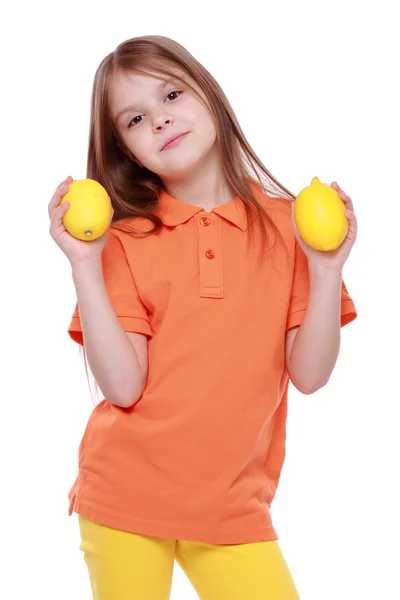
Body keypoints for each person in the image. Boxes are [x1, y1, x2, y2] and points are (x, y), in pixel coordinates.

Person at [48, 35, 357, 600]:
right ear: (127, 150)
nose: (162, 121)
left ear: (209, 95)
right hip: (125, 499)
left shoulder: (291, 227)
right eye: (137, 118)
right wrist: (85, 265)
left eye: (172, 95)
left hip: (232, 509)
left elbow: (309, 376)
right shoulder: (124, 240)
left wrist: (327, 269)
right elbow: (122, 386)